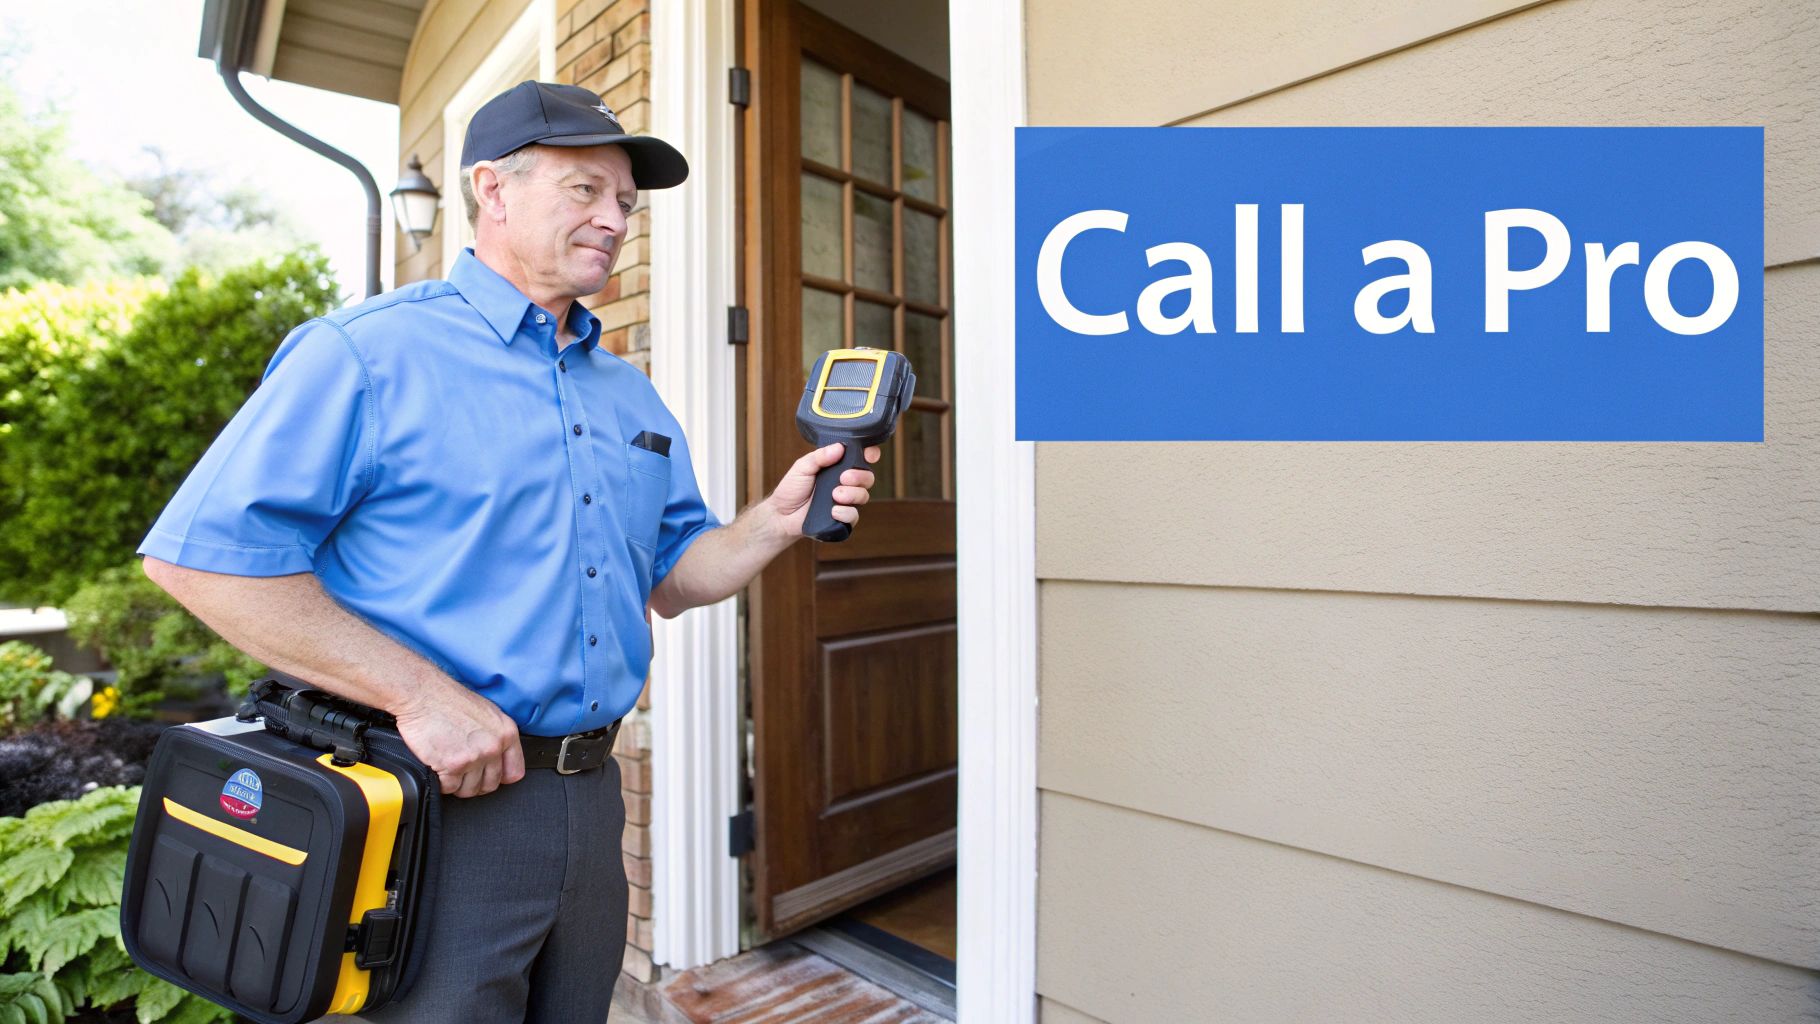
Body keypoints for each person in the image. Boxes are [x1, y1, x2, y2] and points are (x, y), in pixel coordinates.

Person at [136, 81, 880, 1023]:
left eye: (625, 202)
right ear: (492, 188)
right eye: (585, 190)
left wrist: (771, 522)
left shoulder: (630, 397)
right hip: (427, 799)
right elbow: (203, 559)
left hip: (587, 801)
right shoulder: (368, 354)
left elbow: (671, 576)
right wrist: (419, 696)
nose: (614, 219)